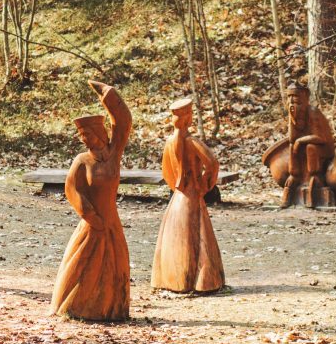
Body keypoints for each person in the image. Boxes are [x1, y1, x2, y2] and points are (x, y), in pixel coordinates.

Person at [51, 80, 132, 321]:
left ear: (100, 133)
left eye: (87, 134)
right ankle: (78, 307)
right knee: (83, 264)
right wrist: (89, 214)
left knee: (115, 264)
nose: (85, 139)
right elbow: (71, 189)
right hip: (92, 222)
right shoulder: (81, 161)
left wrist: (108, 95)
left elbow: (123, 122)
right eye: (81, 135)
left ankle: (111, 308)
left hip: (111, 222)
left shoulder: (113, 154)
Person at [151, 98, 224, 293]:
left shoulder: (170, 142)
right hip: (191, 193)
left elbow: (166, 172)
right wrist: (203, 185)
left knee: (175, 234)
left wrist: (177, 187)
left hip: (178, 197)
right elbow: (213, 163)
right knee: (195, 235)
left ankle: (173, 279)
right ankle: (197, 280)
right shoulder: (192, 142)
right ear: (189, 118)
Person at [282, 83, 336, 208]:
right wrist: (292, 119)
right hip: (305, 146)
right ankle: (294, 176)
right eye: (289, 97)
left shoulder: (313, 112)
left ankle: (314, 177)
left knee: (310, 147)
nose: (291, 100)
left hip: (323, 148)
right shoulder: (295, 113)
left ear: (304, 96)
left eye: (294, 96)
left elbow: (320, 138)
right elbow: (291, 138)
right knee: (291, 146)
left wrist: (300, 141)